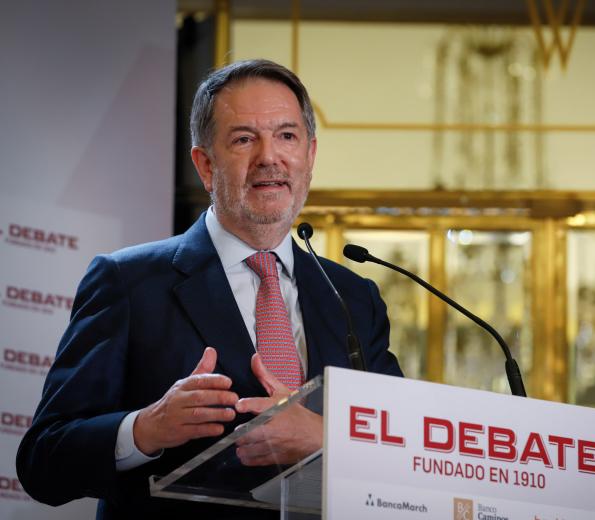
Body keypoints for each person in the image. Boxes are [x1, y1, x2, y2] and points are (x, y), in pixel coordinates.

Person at [16, 59, 402, 519]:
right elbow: (43, 460)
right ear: (204, 163)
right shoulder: (129, 283)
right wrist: (145, 429)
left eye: (286, 136)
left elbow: (400, 447)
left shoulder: (354, 297)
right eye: (243, 139)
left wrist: (326, 438)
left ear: (310, 155)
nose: (269, 158)